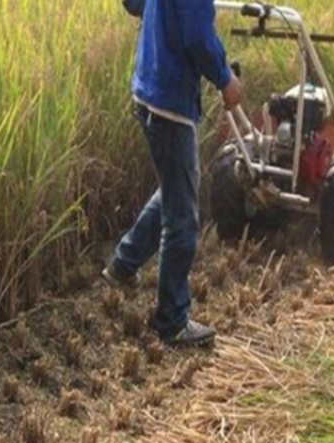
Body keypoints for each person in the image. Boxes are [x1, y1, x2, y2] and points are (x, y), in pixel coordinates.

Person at [103, 0, 243, 347]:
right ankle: (172, 322)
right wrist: (226, 79)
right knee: (181, 218)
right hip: (170, 102)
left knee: (174, 188)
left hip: (148, 89)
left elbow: (133, 3)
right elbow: (198, 36)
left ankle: (123, 264)